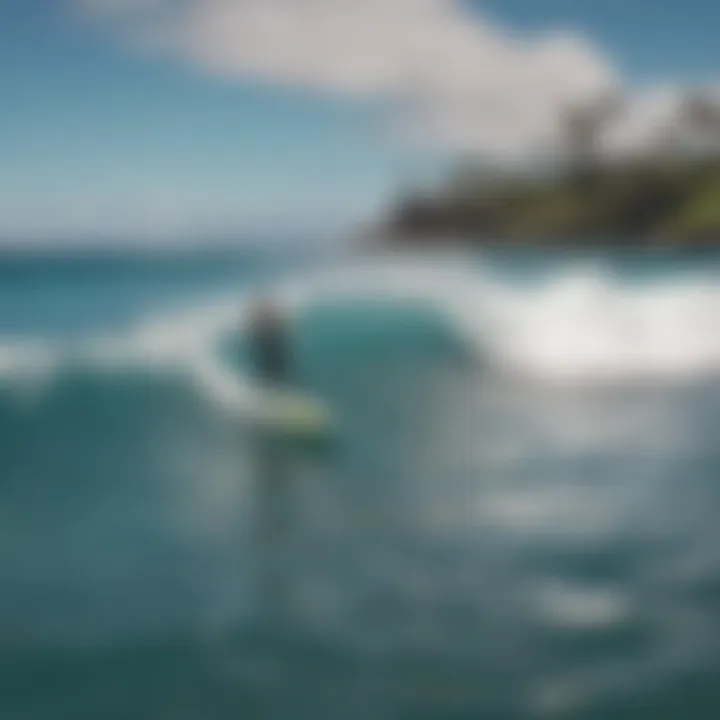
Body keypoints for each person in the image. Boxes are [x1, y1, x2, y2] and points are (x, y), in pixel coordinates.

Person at [247, 299, 292, 386]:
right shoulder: (263, 325)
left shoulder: (270, 324)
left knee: (278, 372)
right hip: (269, 353)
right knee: (271, 372)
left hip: (274, 352)